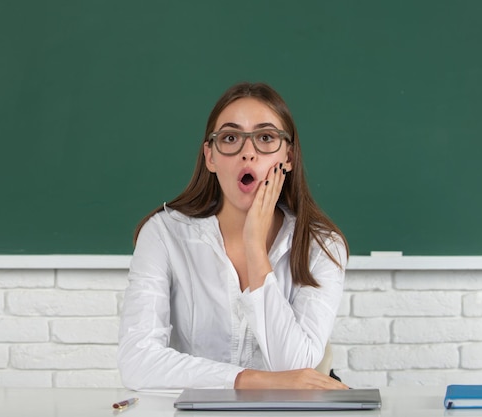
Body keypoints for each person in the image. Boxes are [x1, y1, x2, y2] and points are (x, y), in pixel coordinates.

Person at [118, 81, 349, 390]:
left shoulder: (321, 245)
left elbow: (295, 369)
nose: (248, 153)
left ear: (289, 157)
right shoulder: (163, 235)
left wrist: (255, 246)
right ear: (210, 157)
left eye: (266, 138)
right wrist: (246, 380)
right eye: (230, 138)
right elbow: (138, 362)